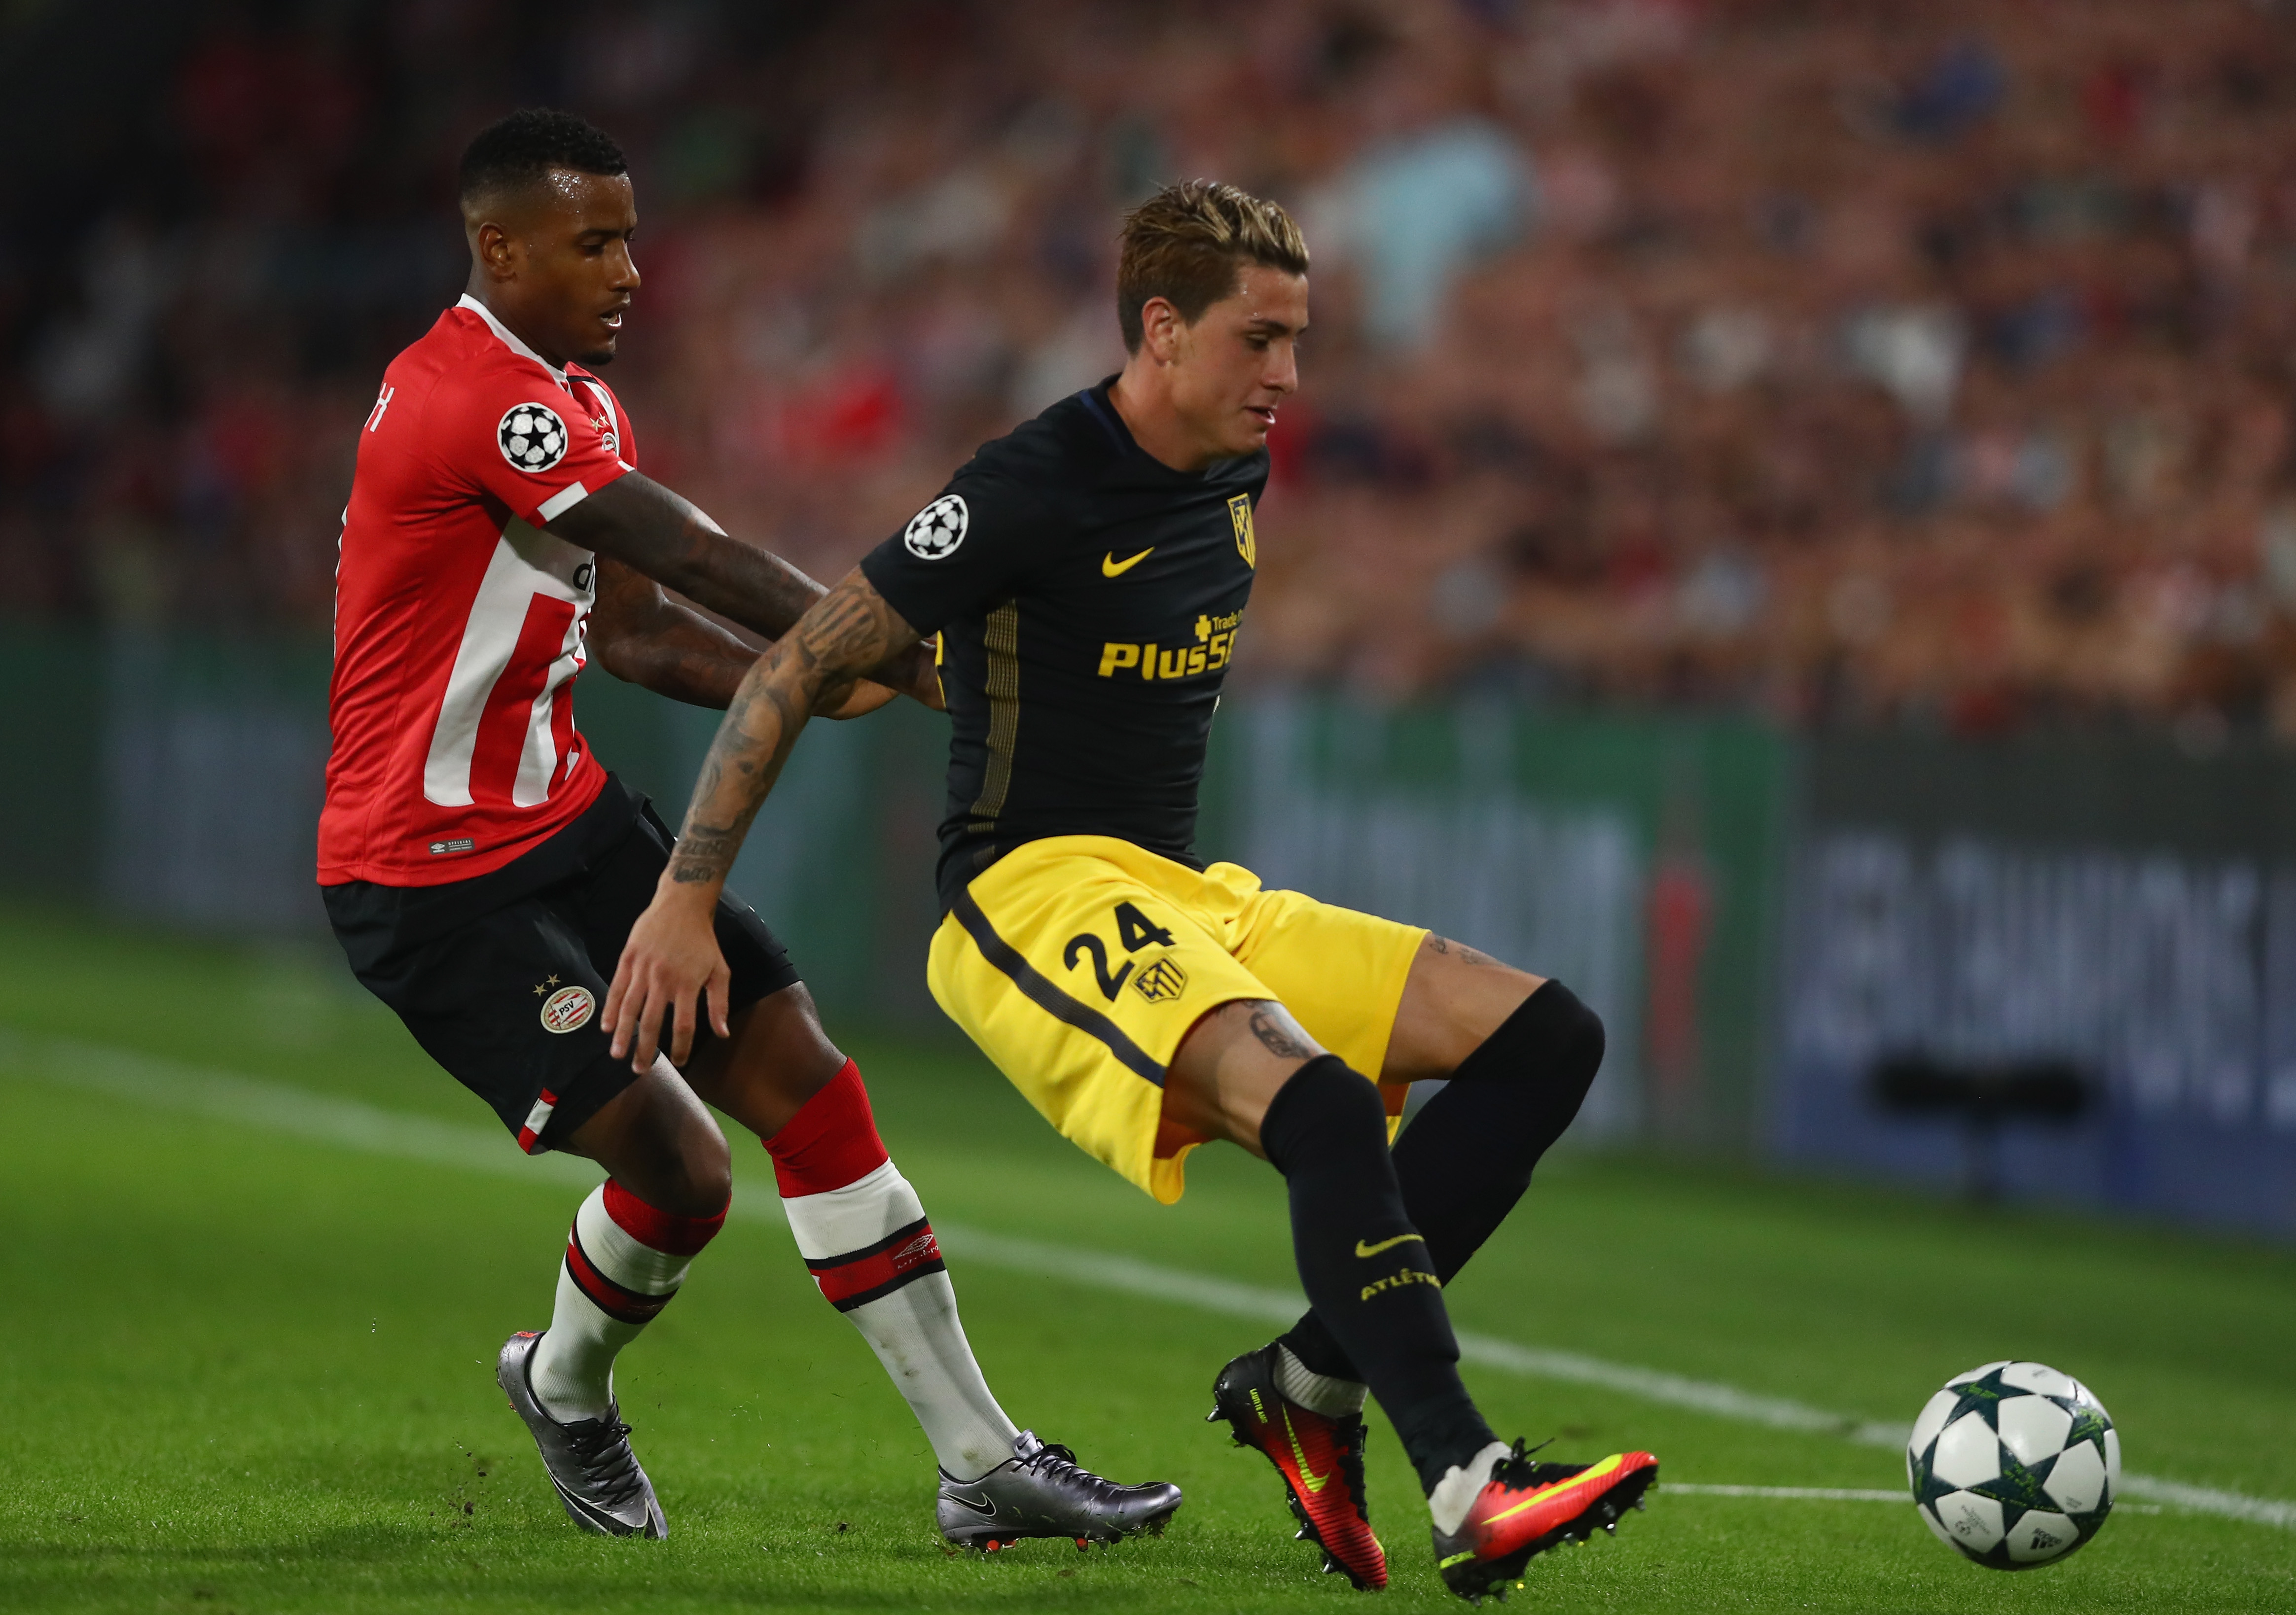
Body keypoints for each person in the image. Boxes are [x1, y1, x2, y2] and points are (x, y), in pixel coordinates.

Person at [601, 178, 1655, 1601]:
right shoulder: (1032, 480)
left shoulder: (1234, 454)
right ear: (1161, 330)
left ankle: (1308, 1378)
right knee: (1325, 1106)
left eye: (1299, 340)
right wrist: (684, 894)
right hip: (1030, 890)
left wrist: (948, 673)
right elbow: (801, 662)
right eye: (1259, 339)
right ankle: (1467, 1481)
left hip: (1181, 887)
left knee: (1550, 1038)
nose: (1288, 375)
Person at [318, 107, 1180, 1550]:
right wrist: (891, 640)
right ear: (498, 246)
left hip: (570, 821)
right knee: (687, 1175)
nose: (630, 267)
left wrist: (817, 680)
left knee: (809, 1082)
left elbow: (646, 632)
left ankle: (982, 1461)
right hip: (429, 876)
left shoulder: (573, 399)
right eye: (594, 241)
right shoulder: (481, 396)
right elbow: (689, 553)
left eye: (633, 236)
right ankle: (563, 1380)